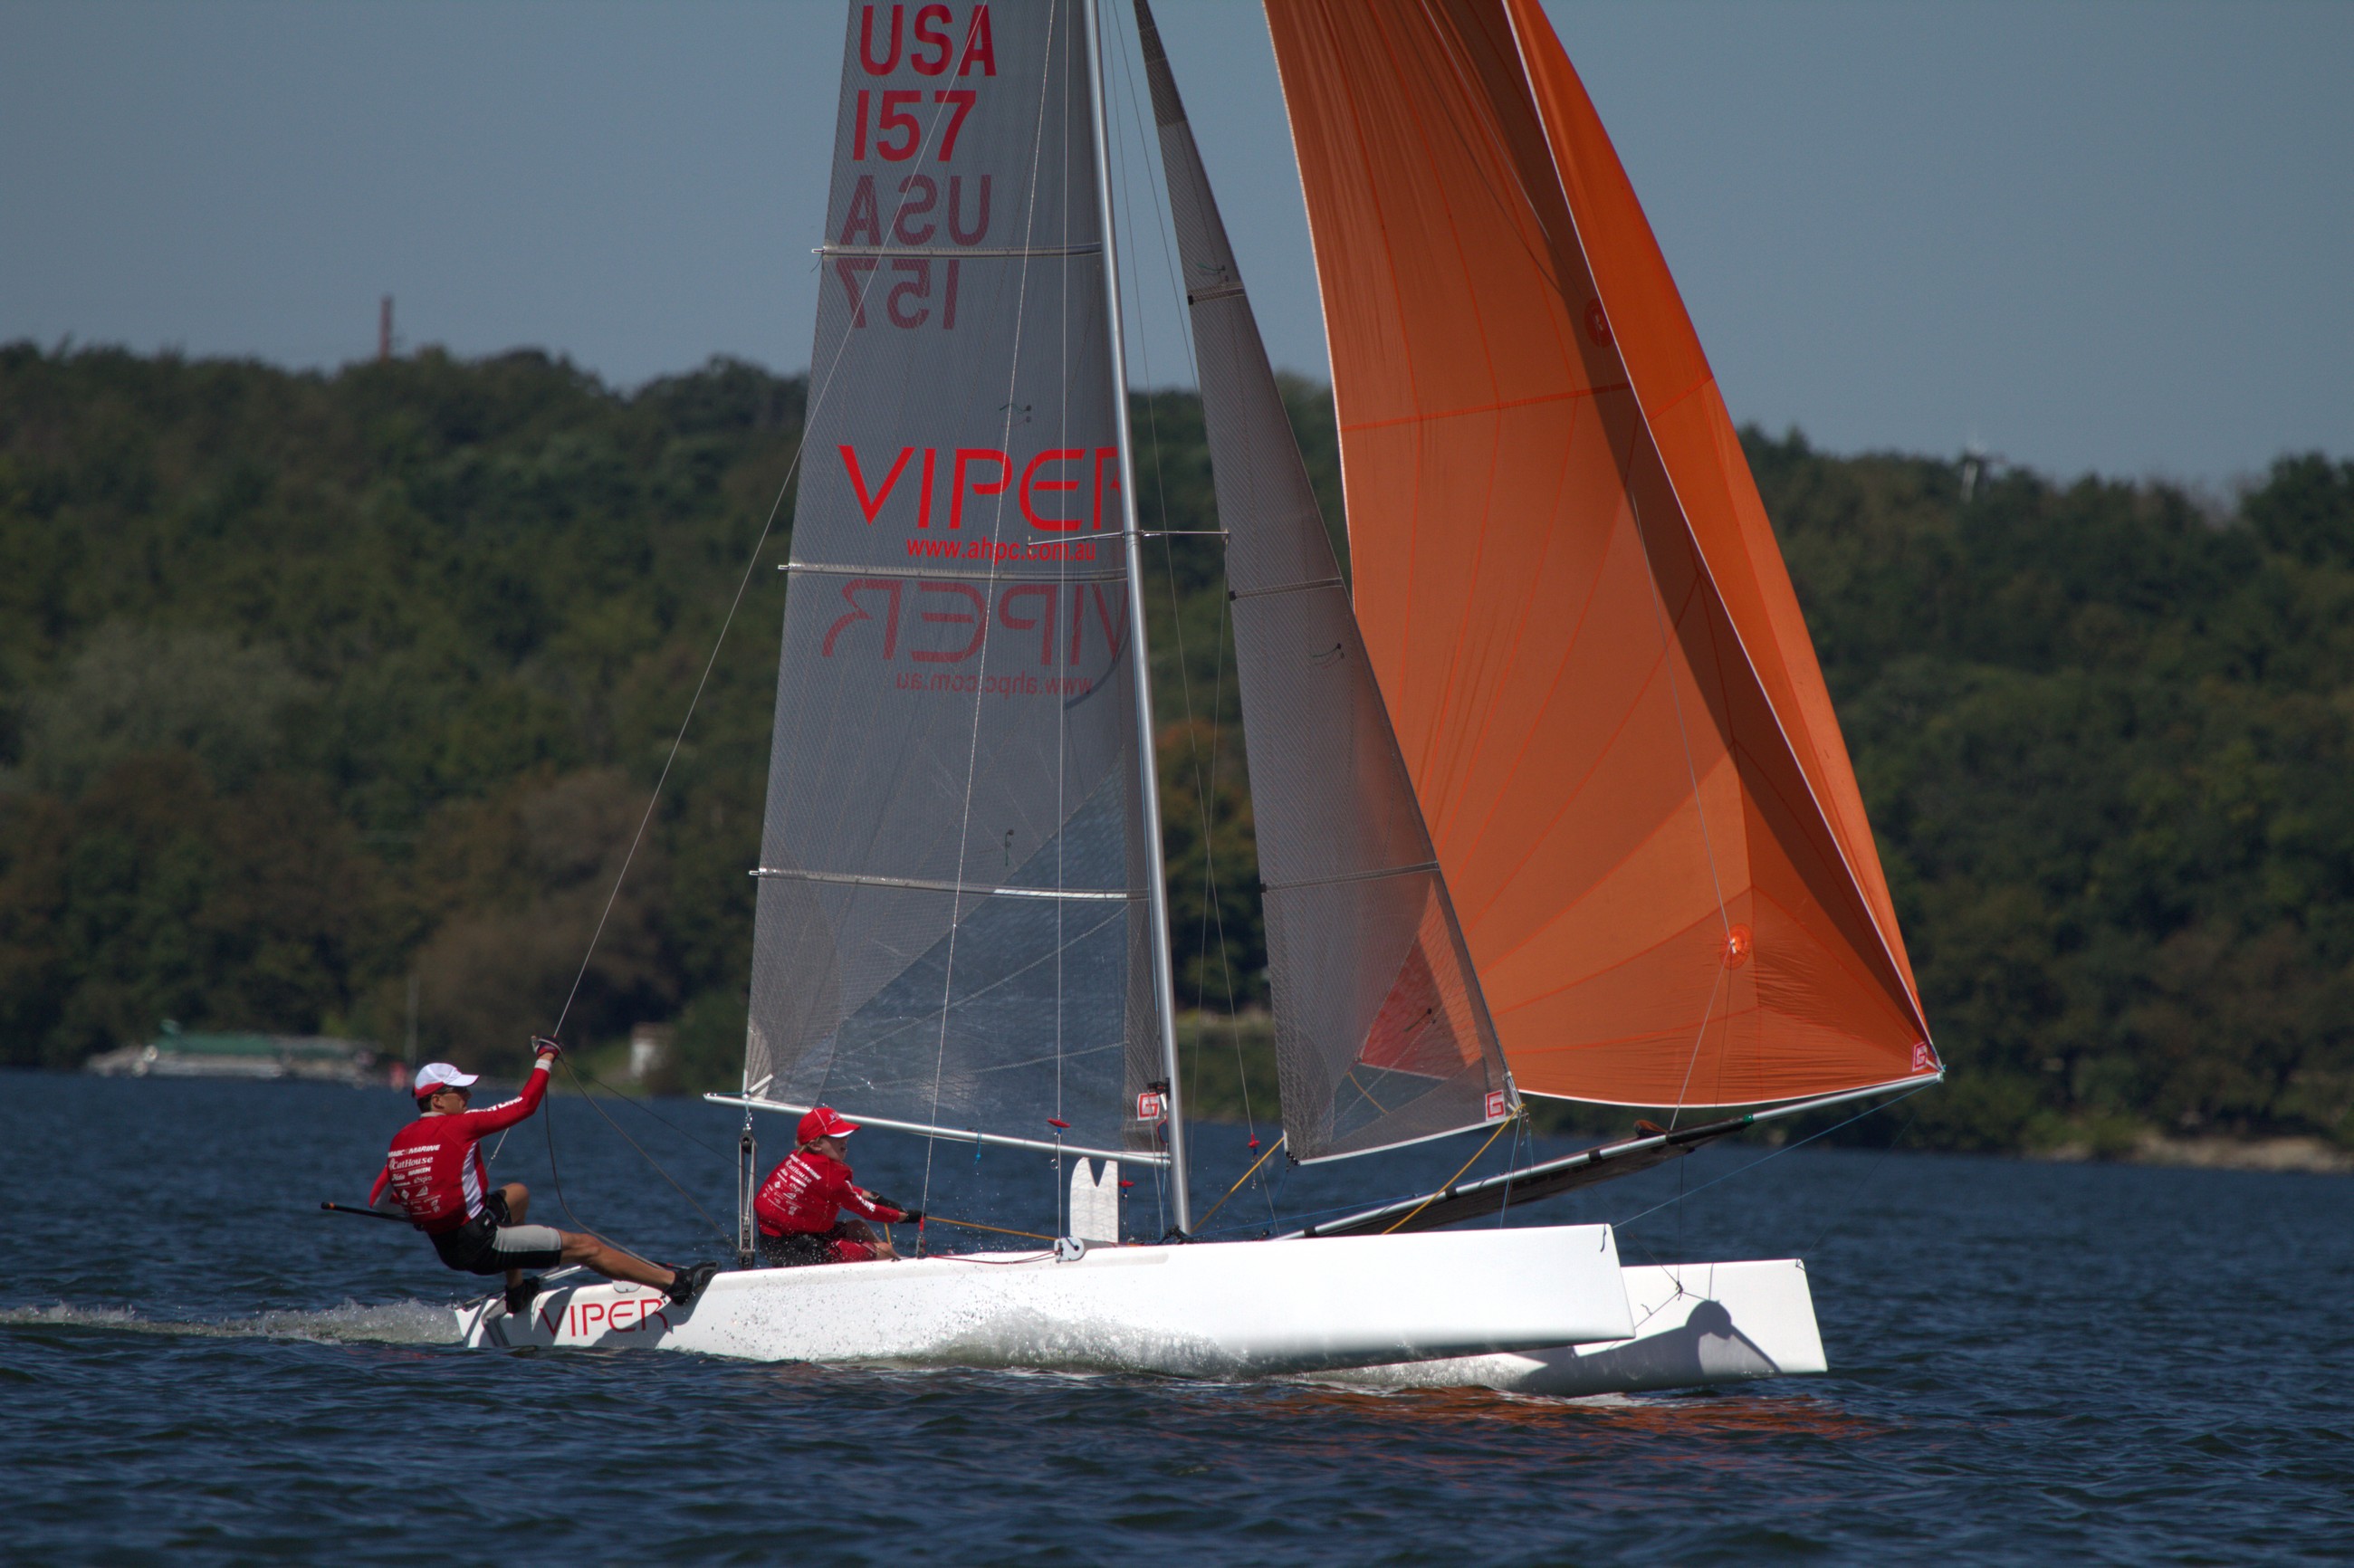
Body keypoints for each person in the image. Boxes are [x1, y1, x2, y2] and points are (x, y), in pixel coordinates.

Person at [369, 1041, 718, 1315]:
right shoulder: (461, 1125)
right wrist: (546, 1056)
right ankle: (675, 1284)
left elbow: (379, 1203)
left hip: (447, 1248)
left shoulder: (400, 1140)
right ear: (438, 1100)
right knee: (587, 1248)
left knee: (517, 1194)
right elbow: (526, 1104)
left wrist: (423, 1213)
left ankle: (516, 1291)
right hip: (480, 1244)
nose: (468, 1097)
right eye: (460, 1092)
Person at [751, 1105, 921, 1267]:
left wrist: (876, 1198)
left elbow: (838, 1190)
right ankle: (898, 1270)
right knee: (885, 1251)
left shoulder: (800, 1156)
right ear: (815, 1145)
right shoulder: (829, 1177)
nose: (845, 1139)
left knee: (858, 1227)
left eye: (845, 1134)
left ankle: (888, 1265)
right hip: (796, 1250)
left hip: (778, 1241)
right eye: (837, 1136)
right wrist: (903, 1217)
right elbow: (866, 1209)